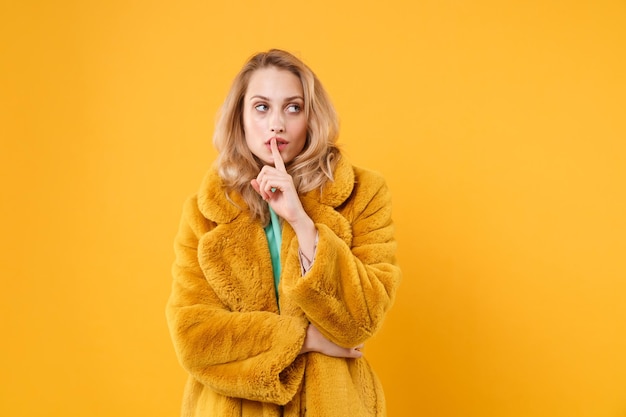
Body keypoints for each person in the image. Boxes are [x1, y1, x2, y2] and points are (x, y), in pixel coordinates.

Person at [166, 49, 401, 417]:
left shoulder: (363, 193)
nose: (277, 124)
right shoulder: (204, 212)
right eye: (261, 107)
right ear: (239, 118)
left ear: (311, 117)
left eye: (293, 108)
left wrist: (301, 222)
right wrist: (304, 340)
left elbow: (362, 320)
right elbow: (194, 337)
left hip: (332, 404)